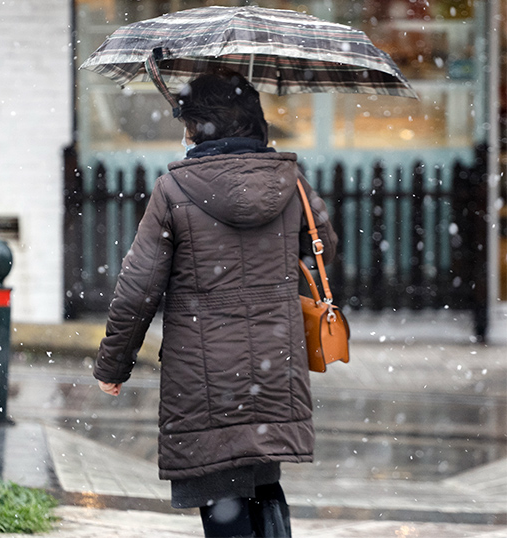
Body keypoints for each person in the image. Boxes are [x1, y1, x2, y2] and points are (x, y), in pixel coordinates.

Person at [93, 71, 338, 538]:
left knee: (222, 493)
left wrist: (113, 366)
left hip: (202, 378)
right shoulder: (292, 183)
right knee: (264, 482)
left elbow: (138, 288)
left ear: (196, 127)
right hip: (274, 364)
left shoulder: (175, 190)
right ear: (255, 123)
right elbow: (323, 250)